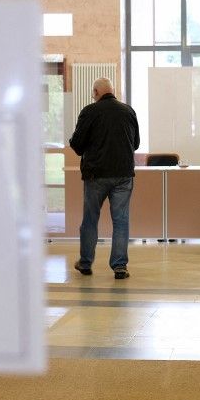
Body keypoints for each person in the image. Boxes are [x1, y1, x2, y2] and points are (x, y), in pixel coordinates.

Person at [69, 77, 140, 279]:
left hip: (96, 175)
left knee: (90, 219)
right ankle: (119, 266)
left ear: (96, 92)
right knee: (121, 221)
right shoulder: (128, 111)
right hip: (123, 175)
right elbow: (135, 143)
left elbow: (77, 145)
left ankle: (85, 263)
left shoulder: (90, 112)